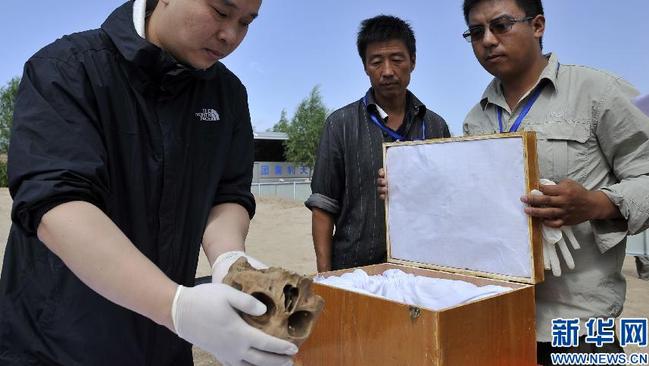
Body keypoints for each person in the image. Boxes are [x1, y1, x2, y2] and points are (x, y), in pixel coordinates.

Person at [0, 0, 298, 365]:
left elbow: (228, 192)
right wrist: (176, 305)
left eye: (246, 22)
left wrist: (229, 258)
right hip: (56, 345)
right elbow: (56, 204)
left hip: (164, 345)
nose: (230, 35)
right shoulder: (67, 69)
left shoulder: (227, 93)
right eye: (221, 12)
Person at [460, 0, 649, 363]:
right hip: (501, 319)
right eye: (476, 32)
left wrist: (597, 204)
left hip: (581, 327)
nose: (487, 40)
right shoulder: (475, 120)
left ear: (538, 25)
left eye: (501, 25)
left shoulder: (597, 93)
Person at [305, 15, 450, 272]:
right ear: (365, 66)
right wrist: (327, 278)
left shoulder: (437, 127)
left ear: (412, 61)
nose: (387, 71)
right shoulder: (340, 124)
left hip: (424, 269)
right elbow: (323, 207)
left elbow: (448, 201)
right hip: (354, 272)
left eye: (397, 59)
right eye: (376, 62)